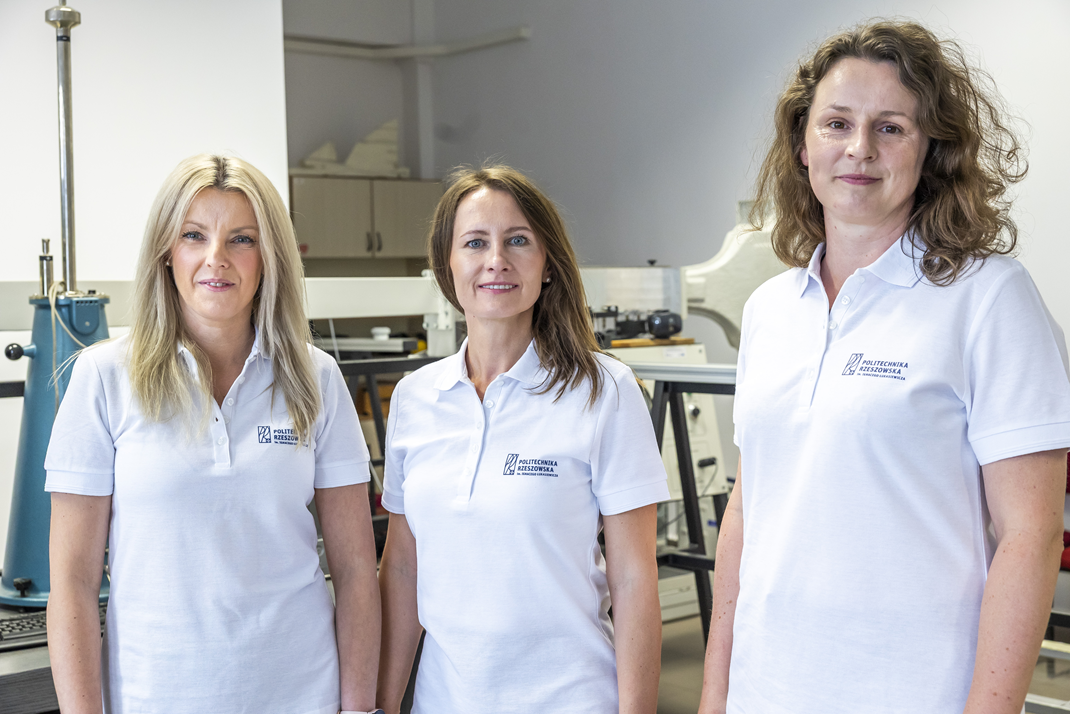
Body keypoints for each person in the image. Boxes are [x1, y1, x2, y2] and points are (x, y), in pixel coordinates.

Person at [698, 20, 1070, 714]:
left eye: (891, 127)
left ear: (932, 149)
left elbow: (1031, 534)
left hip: (916, 694)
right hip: (766, 690)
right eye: (837, 123)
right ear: (803, 144)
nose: (859, 149)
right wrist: (715, 692)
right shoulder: (770, 310)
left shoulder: (989, 297)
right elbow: (746, 513)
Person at [45, 154, 382, 714]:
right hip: (153, 697)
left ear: (269, 257)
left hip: (302, 694)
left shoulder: (316, 377)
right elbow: (73, 583)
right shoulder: (104, 378)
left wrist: (359, 708)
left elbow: (354, 574)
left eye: (242, 239)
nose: (216, 258)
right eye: (194, 235)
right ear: (166, 251)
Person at [375, 165, 669, 714]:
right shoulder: (416, 397)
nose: (496, 260)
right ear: (447, 264)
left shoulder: (604, 390)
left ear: (548, 263)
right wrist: (381, 705)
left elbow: (634, 579)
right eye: (474, 242)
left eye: (517, 240)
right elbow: (402, 569)